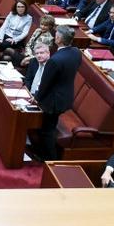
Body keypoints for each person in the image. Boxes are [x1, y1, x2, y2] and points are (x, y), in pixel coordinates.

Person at [31, 25, 82, 160]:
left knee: (47, 130)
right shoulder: (76, 52)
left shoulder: (54, 60)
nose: (54, 37)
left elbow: (45, 84)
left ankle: (48, 157)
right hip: (66, 96)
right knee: (50, 127)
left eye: (56, 36)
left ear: (59, 39)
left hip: (53, 100)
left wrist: (36, 98)